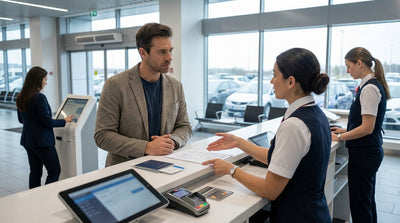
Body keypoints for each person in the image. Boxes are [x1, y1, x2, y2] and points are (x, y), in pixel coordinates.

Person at [203, 48, 332, 222]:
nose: (272, 81)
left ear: (291, 81)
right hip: (313, 212)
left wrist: (231, 170)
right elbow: (281, 159)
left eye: (275, 75)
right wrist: (239, 142)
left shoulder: (294, 125)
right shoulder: (315, 113)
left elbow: (270, 190)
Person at [95, 23, 192, 166]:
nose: (169, 57)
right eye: (162, 52)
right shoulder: (115, 85)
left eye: (170, 50)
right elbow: (103, 136)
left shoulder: (176, 86)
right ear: (143, 52)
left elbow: (184, 126)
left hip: (166, 165)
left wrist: (171, 142)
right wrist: (146, 147)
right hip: (125, 170)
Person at [331, 47, 390, 223]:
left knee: (360, 205)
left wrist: (341, 137)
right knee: (366, 201)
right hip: (368, 153)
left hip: (365, 155)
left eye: (349, 66)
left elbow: (367, 128)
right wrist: (346, 130)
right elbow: (364, 123)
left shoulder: (369, 89)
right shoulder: (369, 85)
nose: (347, 71)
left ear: (359, 63)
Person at [16, 66, 74, 189]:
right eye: (45, 79)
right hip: (42, 142)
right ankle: (46, 197)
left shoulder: (21, 96)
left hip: (28, 140)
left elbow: (21, 119)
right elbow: (46, 122)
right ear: (38, 80)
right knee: (54, 171)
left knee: (35, 172)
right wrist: (64, 121)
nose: (46, 82)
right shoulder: (39, 97)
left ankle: (35, 199)